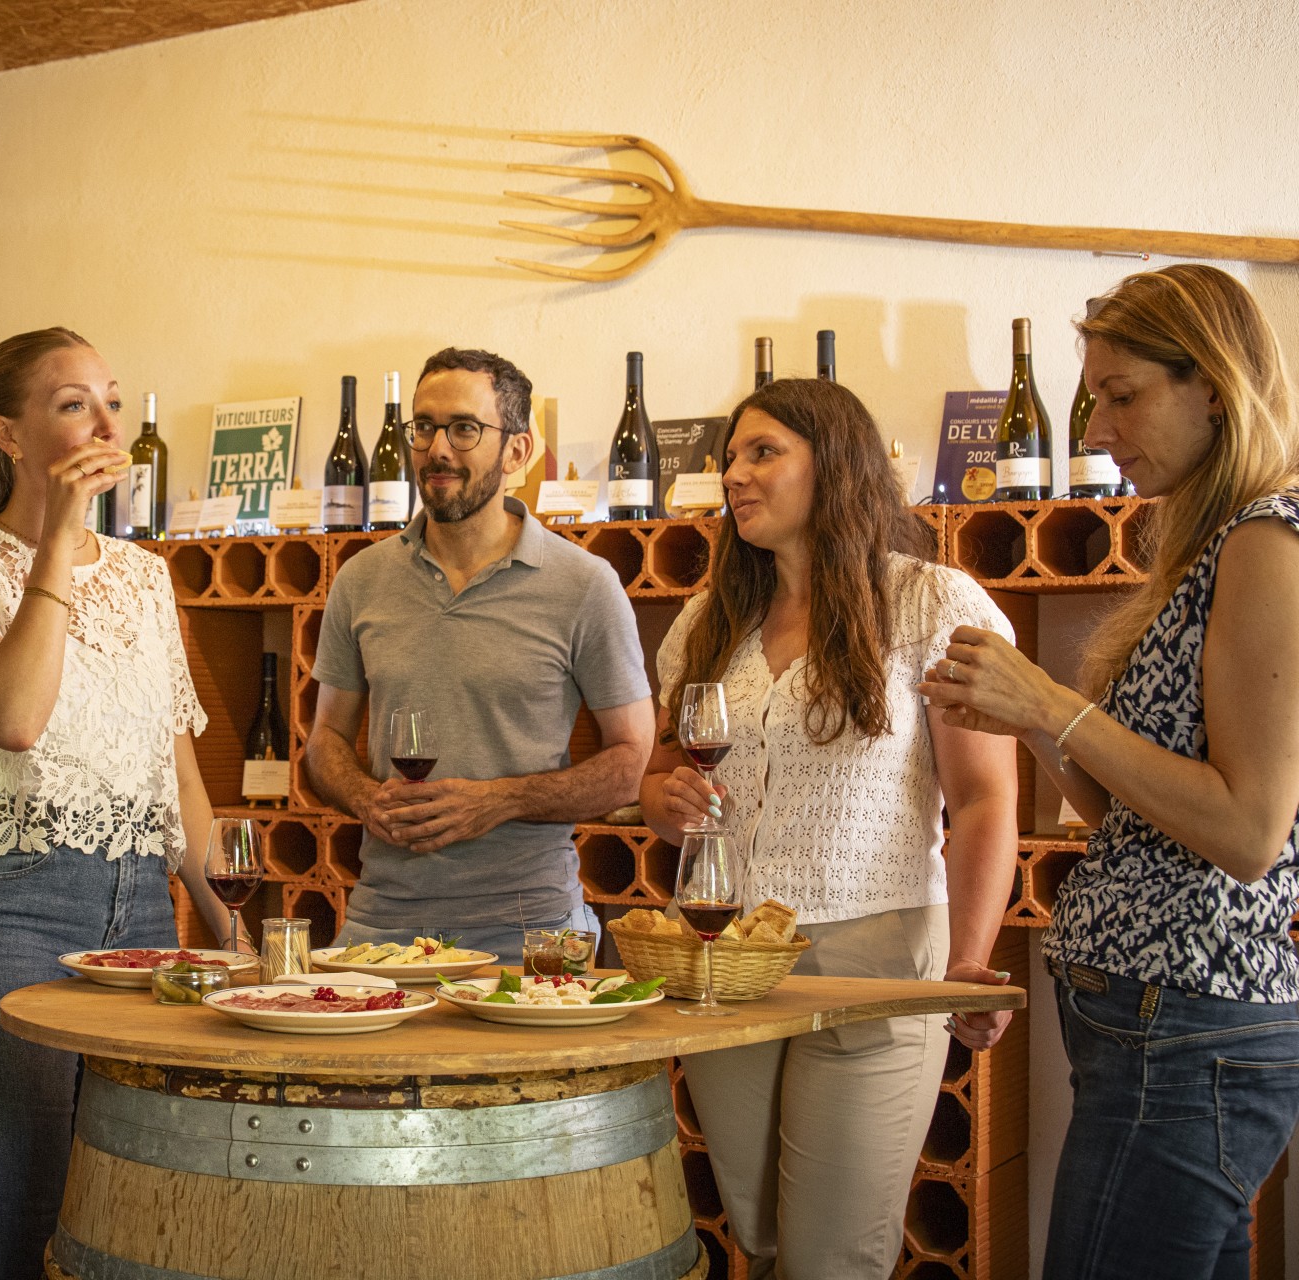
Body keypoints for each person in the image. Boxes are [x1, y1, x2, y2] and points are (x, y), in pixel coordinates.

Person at [920, 265, 1299, 1280]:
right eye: (1093, 399)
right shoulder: (1209, 542)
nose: (1100, 429)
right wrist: (1035, 720)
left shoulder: (1268, 540)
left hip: (1185, 1026)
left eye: (1122, 396)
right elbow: (1123, 810)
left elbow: (1248, 830)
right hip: (1156, 1028)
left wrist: (1053, 706)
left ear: (1212, 385)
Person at [640, 377, 1020, 1278]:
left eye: (762, 452)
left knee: (832, 1255)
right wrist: (663, 802)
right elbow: (658, 776)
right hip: (724, 953)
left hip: (876, 958)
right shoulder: (705, 621)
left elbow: (983, 800)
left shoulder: (933, 605)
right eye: (730, 457)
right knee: (762, 1235)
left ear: (837, 464)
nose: (734, 474)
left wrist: (968, 959)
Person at [0, 328, 232, 1280]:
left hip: (147, 921)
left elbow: (178, 778)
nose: (106, 425)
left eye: (111, 401)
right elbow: (13, 718)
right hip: (11, 913)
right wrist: (59, 535)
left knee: (134, 1215)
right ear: (8, 435)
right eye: (73, 404)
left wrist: (230, 930)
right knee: (17, 1214)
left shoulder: (144, 575)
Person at [306, 347, 654, 961]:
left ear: (516, 451)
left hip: (531, 926)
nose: (437, 449)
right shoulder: (360, 580)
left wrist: (500, 801)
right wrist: (364, 798)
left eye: (464, 429)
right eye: (424, 427)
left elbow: (631, 761)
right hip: (382, 922)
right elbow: (325, 740)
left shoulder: (584, 584)